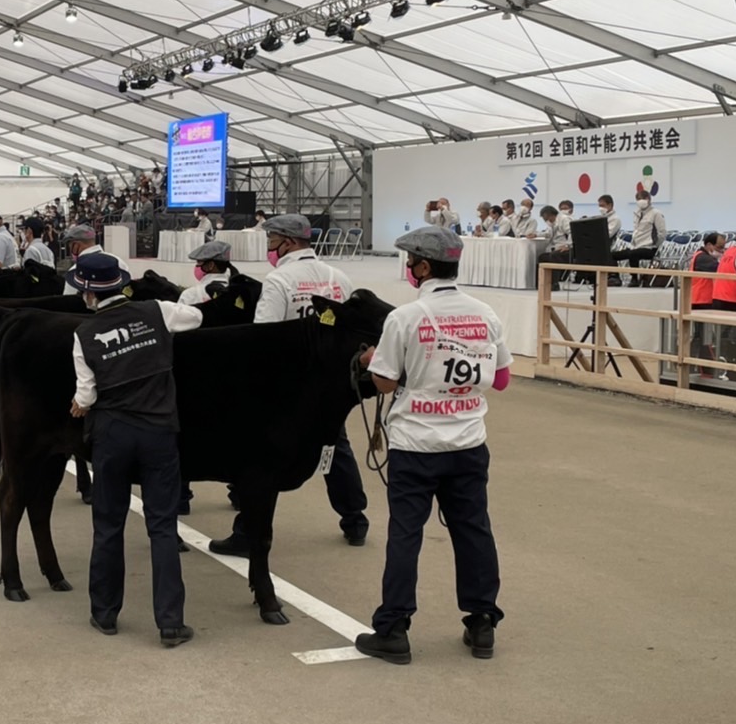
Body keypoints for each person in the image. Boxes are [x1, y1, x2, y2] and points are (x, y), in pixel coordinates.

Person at [353, 226, 511, 665]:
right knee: (473, 529)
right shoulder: (486, 313)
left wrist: (370, 361)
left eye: (410, 262)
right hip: (468, 442)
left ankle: (394, 628)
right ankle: (482, 622)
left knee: (406, 533)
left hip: (415, 444)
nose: (408, 269)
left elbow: (383, 381)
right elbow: (500, 379)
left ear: (423, 267)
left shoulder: (405, 317)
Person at [208, 214, 369, 555]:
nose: (270, 250)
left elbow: (263, 334)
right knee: (335, 446)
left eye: (272, 242)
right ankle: (355, 519)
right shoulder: (339, 277)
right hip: (332, 380)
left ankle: (246, 532)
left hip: (290, 383)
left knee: (262, 457)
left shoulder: (279, 279)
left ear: (289, 243)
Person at [68, 251, 200, 648]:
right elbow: (195, 317)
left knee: (109, 524)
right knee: (162, 526)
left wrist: (79, 403)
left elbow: (86, 394)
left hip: (112, 434)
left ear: (90, 294)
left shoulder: (84, 335)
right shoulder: (157, 311)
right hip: (159, 431)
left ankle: (105, 614)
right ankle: (171, 623)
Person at [686, 232, 725, 365]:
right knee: (703, 336)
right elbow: (721, 270)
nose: (722, 251)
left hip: (701, 298)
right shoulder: (703, 258)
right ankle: (699, 362)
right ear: (709, 245)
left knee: (701, 335)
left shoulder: (701, 256)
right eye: (719, 247)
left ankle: (697, 361)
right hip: (700, 300)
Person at [613, 190, 666, 286]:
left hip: (649, 248)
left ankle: (634, 278)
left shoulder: (656, 213)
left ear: (649, 199)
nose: (641, 201)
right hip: (636, 246)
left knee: (633, 254)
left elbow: (662, 233)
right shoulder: (637, 214)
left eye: (643, 198)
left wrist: (655, 245)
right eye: (638, 199)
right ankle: (614, 277)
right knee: (613, 255)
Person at [178, 240, 236, 305]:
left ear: (210, 265)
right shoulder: (237, 292)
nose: (196, 266)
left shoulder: (190, 295)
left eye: (199, 262)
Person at [535, 205, 573, 285]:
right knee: (542, 257)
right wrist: (536, 235)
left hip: (569, 249)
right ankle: (540, 283)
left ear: (551, 215)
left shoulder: (564, 219)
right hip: (557, 248)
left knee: (554, 255)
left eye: (546, 218)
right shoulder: (552, 223)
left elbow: (572, 232)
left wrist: (568, 246)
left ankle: (554, 283)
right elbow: (548, 234)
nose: (546, 221)